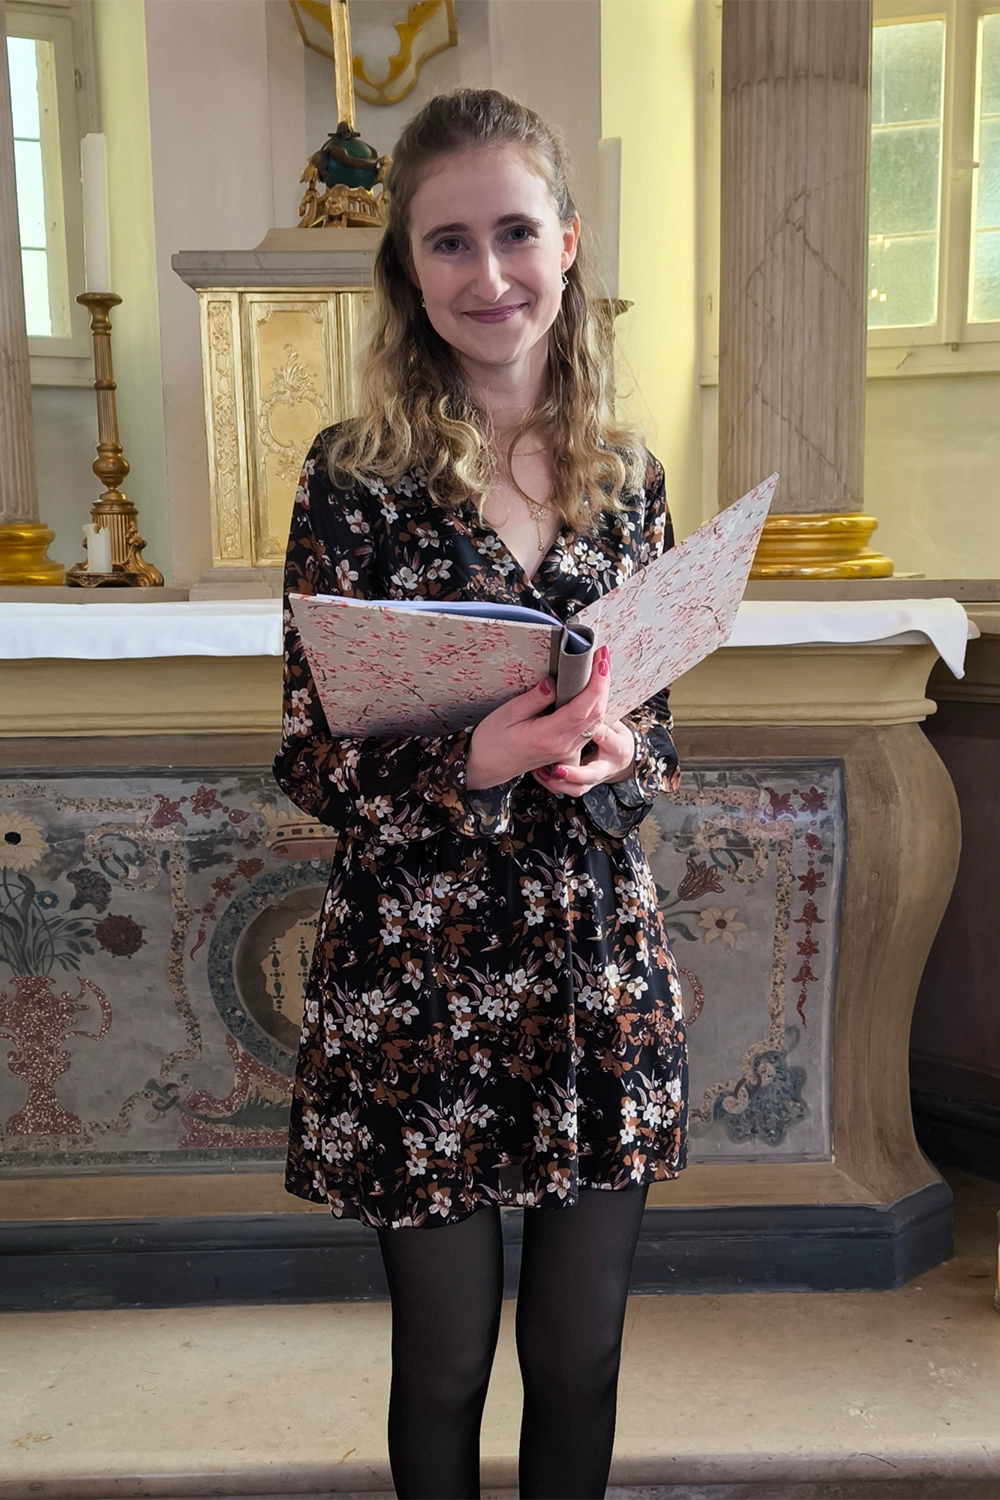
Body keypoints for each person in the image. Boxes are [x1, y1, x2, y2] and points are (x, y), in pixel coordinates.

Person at [274, 87, 687, 1500]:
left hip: (589, 956)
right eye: (449, 243)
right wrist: (475, 760)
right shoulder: (355, 481)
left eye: (516, 232)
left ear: (568, 244)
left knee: (582, 1358)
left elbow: (660, 721)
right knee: (445, 1363)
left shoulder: (628, 478)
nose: (489, 273)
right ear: (409, 269)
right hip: (421, 969)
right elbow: (312, 756)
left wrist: (621, 753)